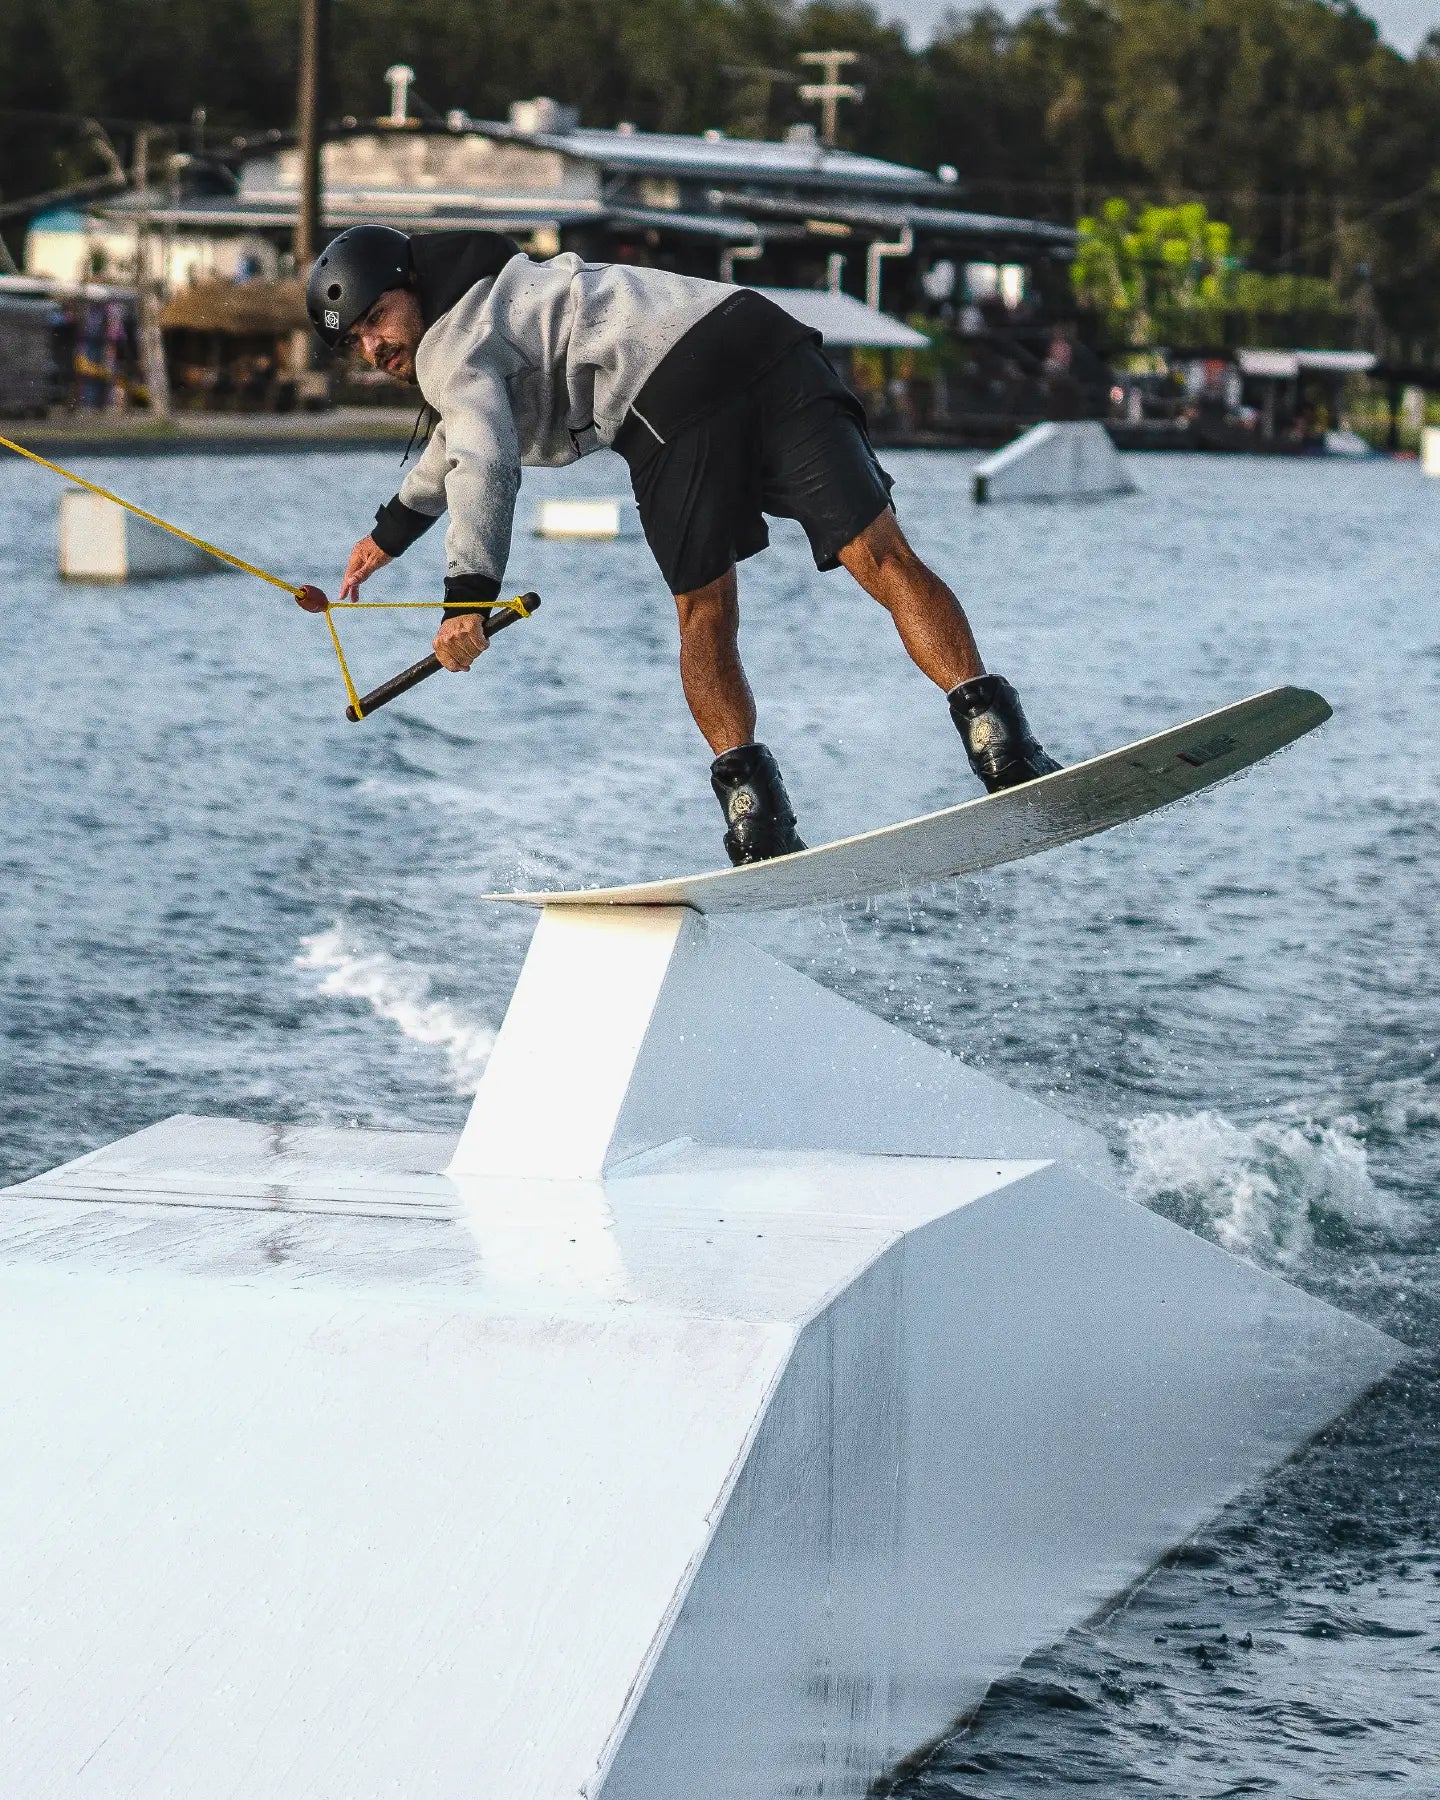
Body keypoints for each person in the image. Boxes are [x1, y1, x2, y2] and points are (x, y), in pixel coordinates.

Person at [308, 226, 1059, 864]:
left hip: (670, 391)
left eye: (379, 319)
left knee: (705, 612)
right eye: (359, 339)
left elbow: (484, 459)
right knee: (882, 555)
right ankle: (1001, 745)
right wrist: (390, 534)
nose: (374, 345)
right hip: (762, 339)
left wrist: (466, 600)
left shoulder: (446, 347)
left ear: (411, 286)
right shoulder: (506, 292)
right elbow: (460, 438)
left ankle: (754, 819)